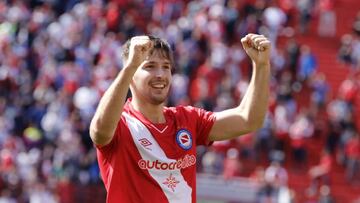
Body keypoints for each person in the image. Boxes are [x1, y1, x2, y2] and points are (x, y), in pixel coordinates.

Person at [89, 34, 271, 203]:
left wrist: (261, 66)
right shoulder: (120, 125)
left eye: (166, 67)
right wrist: (130, 66)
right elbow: (99, 131)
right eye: (149, 66)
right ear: (130, 75)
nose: (160, 74)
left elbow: (249, 119)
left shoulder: (188, 119)